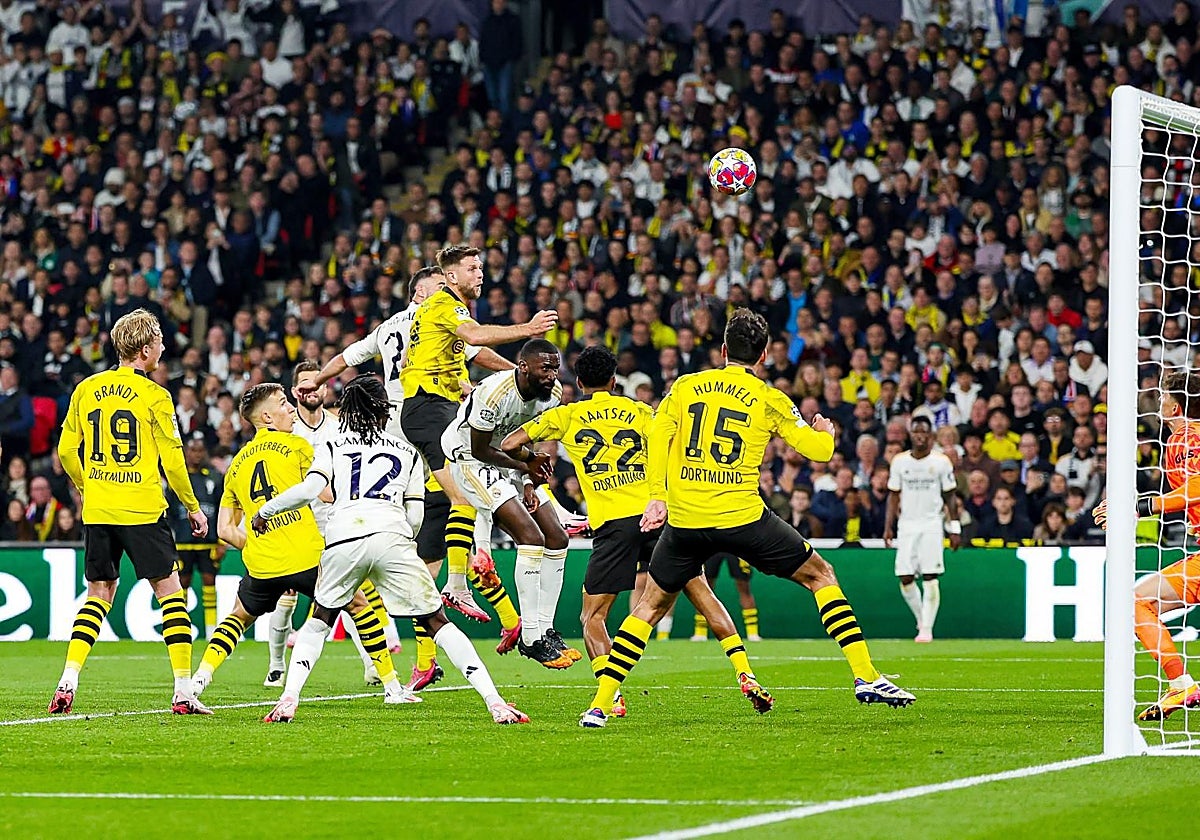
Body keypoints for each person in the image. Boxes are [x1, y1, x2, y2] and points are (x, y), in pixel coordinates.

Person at [579, 310, 915, 728]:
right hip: (743, 517)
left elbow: (658, 436)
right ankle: (865, 675)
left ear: (723, 350)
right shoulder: (769, 398)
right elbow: (819, 452)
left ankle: (600, 705)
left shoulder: (685, 386)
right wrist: (825, 432)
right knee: (820, 575)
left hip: (687, 520)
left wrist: (657, 497)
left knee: (648, 607)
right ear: (764, 355)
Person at [502, 344, 767, 718]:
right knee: (702, 594)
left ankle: (612, 695)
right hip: (657, 516)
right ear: (614, 381)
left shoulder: (567, 415)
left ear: (579, 383)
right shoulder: (641, 411)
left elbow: (509, 443)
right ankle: (745, 672)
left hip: (613, 525)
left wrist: (533, 461)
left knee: (593, 617)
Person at [253, 375, 529, 725]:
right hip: (391, 536)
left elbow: (309, 490)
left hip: (344, 538)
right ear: (385, 410)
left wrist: (266, 512)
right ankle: (495, 703)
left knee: (320, 619)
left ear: (348, 410)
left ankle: (289, 699)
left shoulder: (333, 445)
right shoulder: (406, 451)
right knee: (437, 622)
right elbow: (415, 517)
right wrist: (397, 541)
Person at [301, 265, 522, 669]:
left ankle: (423, 655)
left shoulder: (386, 328)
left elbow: (346, 358)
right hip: (428, 415)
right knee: (469, 489)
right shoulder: (438, 319)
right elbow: (478, 352)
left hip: (392, 430)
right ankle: (469, 571)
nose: (446, 292)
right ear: (419, 293)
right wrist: (518, 374)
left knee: (423, 523)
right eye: (438, 287)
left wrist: (317, 381)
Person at [190, 383, 402, 703]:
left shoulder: (236, 465)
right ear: (267, 417)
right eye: (283, 403)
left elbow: (224, 530)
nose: (291, 409)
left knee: (238, 617)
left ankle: (199, 679)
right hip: (307, 557)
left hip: (263, 562)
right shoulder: (297, 447)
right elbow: (327, 495)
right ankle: (392, 686)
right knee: (358, 605)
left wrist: (258, 543)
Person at [50, 309, 210, 716]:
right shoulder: (156, 396)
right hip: (142, 509)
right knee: (170, 594)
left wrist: (87, 487)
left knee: (98, 594)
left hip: (99, 509)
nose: (163, 348)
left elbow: (66, 451)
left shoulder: (86, 388)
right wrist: (192, 507)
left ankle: (68, 679)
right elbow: (173, 461)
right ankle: (182, 690)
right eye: (158, 342)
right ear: (144, 350)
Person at [398, 247, 554, 621]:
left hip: (435, 406)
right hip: (428, 407)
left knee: (469, 480)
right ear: (451, 276)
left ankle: (466, 573)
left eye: (480, 267)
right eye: (471, 268)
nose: (480, 273)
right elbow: (475, 336)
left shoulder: (443, 310)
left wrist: (505, 377)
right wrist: (528, 329)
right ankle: (459, 584)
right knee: (466, 492)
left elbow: (422, 358)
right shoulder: (445, 305)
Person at [440, 338, 576, 669]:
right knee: (531, 537)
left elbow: (530, 442)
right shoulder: (493, 393)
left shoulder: (553, 394)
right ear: (524, 367)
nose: (552, 376)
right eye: (545, 369)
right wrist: (525, 465)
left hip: (511, 459)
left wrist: (529, 481)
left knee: (557, 537)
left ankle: (545, 630)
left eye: (555, 369)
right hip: (470, 459)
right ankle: (529, 637)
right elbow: (481, 449)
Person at [284, 359, 398, 687]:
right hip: (297, 526)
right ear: (295, 391)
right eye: (305, 384)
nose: (312, 389)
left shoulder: (339, 428)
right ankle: (276, 667)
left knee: (351, 597)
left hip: (336, 523)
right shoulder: (287, 430)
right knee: (286, 597)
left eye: (317, 383)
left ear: (325, 387)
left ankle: (372, 663)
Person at [1095, 370, 1200, 720]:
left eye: (1163, 397)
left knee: (1133, 602)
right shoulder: (1180, 441)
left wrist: (1141, 506)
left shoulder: (1188, 437)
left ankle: (1181, 684)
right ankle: (1180, 684)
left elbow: (1198, 486)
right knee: (1136, 602)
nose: (1159, 402)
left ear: (1176, 407)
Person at [882, 415, 962, 643]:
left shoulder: (941, 462)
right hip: (907, 524)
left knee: (930, 575)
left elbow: (950, 496)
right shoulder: (899, 462)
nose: (919, 436)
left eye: (924, 432)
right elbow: (893, 496)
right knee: (905, 576)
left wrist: (954, 528)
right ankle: (921, 619)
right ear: (910, 435)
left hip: (931, 523)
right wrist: (888, 527)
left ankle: (926, 628)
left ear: (931, 436)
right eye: (916, 431)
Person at [166, 433, 224, 634]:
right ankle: (181, 628)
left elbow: (222, 507)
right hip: (183, 541)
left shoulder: (214, 477)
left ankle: (211, 629)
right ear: (186, 452)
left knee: (209, 580)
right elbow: (169, 512)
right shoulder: (177, 478)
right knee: (182, 582)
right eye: (193, 450)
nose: (197, 455)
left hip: (208, 542)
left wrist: (221, 541)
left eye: (200, 451)